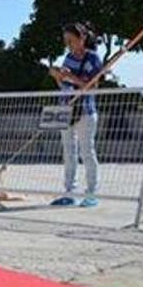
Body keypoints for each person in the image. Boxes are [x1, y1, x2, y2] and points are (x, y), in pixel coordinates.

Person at [48, 23, 103, 207]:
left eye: (71, 40)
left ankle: (91, 193)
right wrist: (58, 77)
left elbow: (93, 85)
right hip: (67, 110)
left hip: (85, 111)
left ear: (82, 39)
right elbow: (65, 87)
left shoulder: (93, 58)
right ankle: (69, 192)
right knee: (68, 152)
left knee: (87, 151)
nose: (69, 45)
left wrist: (71, 77)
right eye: (66, 42)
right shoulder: (68, 58)